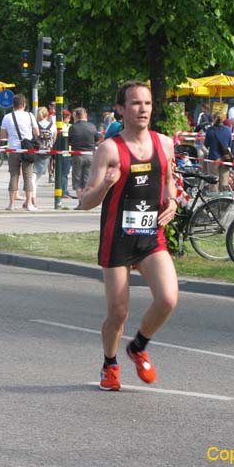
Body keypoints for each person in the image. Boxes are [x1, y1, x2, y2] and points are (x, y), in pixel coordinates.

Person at [78, 80, 178, 391]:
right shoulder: (109, 149)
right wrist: (107, 184)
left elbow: (169, 180)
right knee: (118, 313)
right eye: (135, 103)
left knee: (168, 298)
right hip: (117, 239)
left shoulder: (164, 144)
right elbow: (85, 203)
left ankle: (138, 346)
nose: (143, 109)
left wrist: (172, 202)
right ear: (121, 109)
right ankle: (110, 364)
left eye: (147, 103)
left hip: (150, 236)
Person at [0, 93, 39, 211]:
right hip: (27, 149)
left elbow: (3, 135)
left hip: (13, 149)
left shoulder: (7, 117)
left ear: (13, 104)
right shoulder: (30, 115)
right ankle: (29, 204)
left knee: (14, 176)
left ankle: (11, 204)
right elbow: (36, 133)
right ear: (24, 104)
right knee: (28, 176)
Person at [68, 107, 100, 203]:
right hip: (90, 155)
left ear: (75, 116)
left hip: (77, 155)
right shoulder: (92, 126)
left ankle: (81, 201)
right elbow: (97, 140)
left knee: (77, 179)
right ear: (85, 115)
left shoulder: (73, 127)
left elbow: (69, 141)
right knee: (87, 178)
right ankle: (86, 200)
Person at [32, 106, 56, 205]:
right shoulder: (52, 125)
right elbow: (54, 139)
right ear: (47, 114)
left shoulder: (35, 125)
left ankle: (32, 198)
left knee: (33, 176)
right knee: (38, 176)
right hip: (47, 152)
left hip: (36, 151)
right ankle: (32, 198)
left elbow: (33, 136)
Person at [203, 113, 232, 192]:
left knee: (213, 180)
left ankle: (215, 200)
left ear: (213, 119)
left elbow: (206, 144)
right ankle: (224, 200)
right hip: (226, 157)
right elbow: (229, 143)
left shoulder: (210, 130)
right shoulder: (227, 129)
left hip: (214, 157)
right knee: (224, 180)